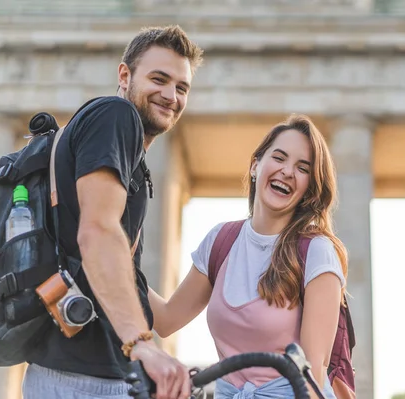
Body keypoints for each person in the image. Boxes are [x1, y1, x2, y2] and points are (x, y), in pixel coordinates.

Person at [21, 25, 204, 399]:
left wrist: (229, 251)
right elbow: (98, 232)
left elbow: (164, 318)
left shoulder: (130, 162)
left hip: (91, 376)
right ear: (125, 75)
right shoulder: (115, 115)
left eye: (181, 87)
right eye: (159, 79)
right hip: (82, 381)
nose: (171, 96)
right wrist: (140, 343)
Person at [148, 114, 348, 398]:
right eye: (279, 158)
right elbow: (166, 320)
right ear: (256, 165)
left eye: (302, 168)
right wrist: (119, 259)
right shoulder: (221, 241)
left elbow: (313, 374)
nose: (287, 171)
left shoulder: (317, 252)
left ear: (309, 190)